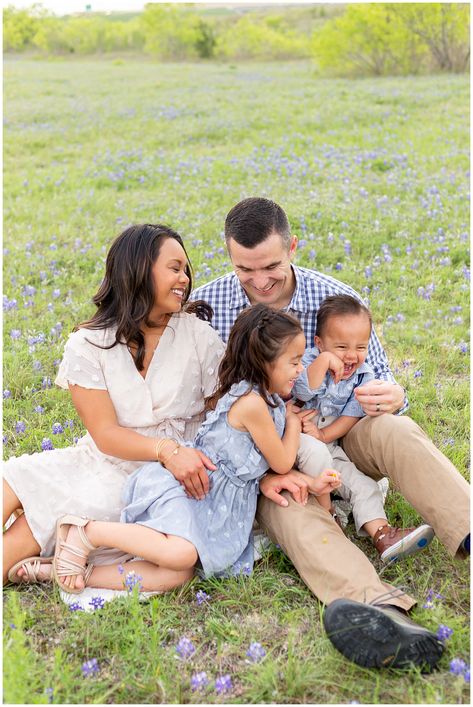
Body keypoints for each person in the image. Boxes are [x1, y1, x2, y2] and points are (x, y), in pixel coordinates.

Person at [189, 196, 470, 670]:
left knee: (396, 429)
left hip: (343, 432)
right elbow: (205, 415)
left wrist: (392, 395)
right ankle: (380, 612)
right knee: (290, 504)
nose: (258, 281)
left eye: (271, 266)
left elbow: (379, 376)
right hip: (268, 453)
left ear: (293, 247)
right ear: (229, 256)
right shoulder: (207, 308)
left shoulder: (333, 295)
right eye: (244, 269)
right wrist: (261, 474)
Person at [49, 305, 342, 594]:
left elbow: (266, 469)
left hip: (211, 502)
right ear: (265, 361)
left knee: (178, 575)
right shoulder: (252, 404)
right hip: (194, 490)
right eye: (294, 362)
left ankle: (75, 574)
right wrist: (292, 422)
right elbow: (281, 461)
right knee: (183, 555)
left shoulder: (268, 400)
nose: (300, 369)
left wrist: (313, 483)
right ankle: (86, 532)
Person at [3, 223, 227, 588]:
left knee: (36, 522)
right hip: (99, 459)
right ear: (138, 270)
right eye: (174, 268)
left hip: (149, 481)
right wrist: (166, 449)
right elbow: (105, 435)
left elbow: (224, 414)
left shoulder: (199, 336)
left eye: (186, 269)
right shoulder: (89, 343)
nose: (184, 278)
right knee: (12, 478)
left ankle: (47, 552)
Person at [293, 293, 434, 562]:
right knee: (318, 458)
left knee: (363, 484)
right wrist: (323, 361)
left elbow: (350, 417)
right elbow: (302, 388)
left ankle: (382, 534)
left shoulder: (363, 375)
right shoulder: (308, 360)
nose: (351, 355)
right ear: (319, 343)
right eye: (341, 347)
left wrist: (323, 434)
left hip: (328, 444)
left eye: (360, 347)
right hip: (294, 444)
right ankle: (329, 521)